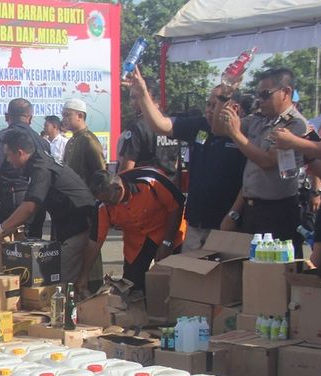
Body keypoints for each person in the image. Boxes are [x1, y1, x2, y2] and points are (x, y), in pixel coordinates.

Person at [126, 67, 247, 249]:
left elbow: (249, 181)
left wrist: (233, 214)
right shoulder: (199, 126)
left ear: (234, 108)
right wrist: (143, 94)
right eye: (208, 104)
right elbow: (161, 126)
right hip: (196, 223)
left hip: (226, 225)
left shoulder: (244, 134)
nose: (209, 110)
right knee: (190, 275)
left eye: (215, 105)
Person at [216, 68, 309, 256]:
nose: (260, 100)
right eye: (259, 95)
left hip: (278, 211)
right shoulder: (259, 119)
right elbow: (218, 129)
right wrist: (224, 98)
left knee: (275, 276)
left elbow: (267, 161)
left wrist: (235, 134)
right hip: (251, 210)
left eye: (266, 94)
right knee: (249, 271)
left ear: (286, 92)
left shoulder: (294, 124)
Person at [0, 129, 97, 286]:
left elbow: (30, 206)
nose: (7, 160)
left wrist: (0, 231)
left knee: (62, 284)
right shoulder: (37, 158)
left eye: (8, 155)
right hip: (68, 225)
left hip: (78, 226)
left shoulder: (41, 168)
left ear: (19, 153)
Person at [83, 169, 186, 294]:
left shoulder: (151, 181)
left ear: (118, 189)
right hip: (137, 242)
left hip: (168, 231)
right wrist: (83, 276)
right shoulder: (103, 205)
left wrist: (167, 242)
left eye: (109, 201)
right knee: (131, 288)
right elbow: (95, 242)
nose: (107, 204)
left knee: (177, 282)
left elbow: (177, 205)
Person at [0, 98, 50, 239]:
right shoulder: (43, 142)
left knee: (14, 253)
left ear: (7, 116)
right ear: (30, 118)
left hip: (14, 199)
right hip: (38, 201)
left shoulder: (3, 137)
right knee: (35, 251)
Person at [117, 82, 180, 177]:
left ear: (147, 97)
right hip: (169, 187)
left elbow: (126, 171)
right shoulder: (171, 125)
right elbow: (176, 163)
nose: (131, 103)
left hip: (143, 189)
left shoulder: (137, 127)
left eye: (135, 98)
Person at [60, 98, 106, 190]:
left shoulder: (89, 140)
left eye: (67, 115)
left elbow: (101, 172)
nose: (64, 119)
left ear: (80, 116)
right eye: (63, 115)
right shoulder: (71, 141)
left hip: (86, 197)